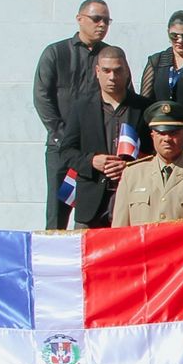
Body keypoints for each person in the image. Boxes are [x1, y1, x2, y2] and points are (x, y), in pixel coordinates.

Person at [33, 0, 114, 229]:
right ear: (79, 19)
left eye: (107, 20)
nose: (102, 25)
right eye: (96, 19)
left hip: (96, 153)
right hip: (61, 148)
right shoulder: (56, 53)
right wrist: (63, 138)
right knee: (57, 212)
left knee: (97, 212)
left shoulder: (109, 57)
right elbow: (42, 98)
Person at [57, 47, 153, 229]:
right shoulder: (81, 107)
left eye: (118, 71)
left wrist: (130, 167)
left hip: (133, 199)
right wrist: (92, 161)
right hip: (91, 200)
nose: (112, 77)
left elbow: (155, 153)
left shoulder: (144, 107)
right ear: (97, 72)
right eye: (106, 71)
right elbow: (66, 152)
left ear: (127, 71)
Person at [111, 101, 183, 225]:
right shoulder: (131, 175)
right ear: (152, 136)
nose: (167, 139)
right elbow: (120, 230)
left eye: (173, 133)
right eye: (161, 133)